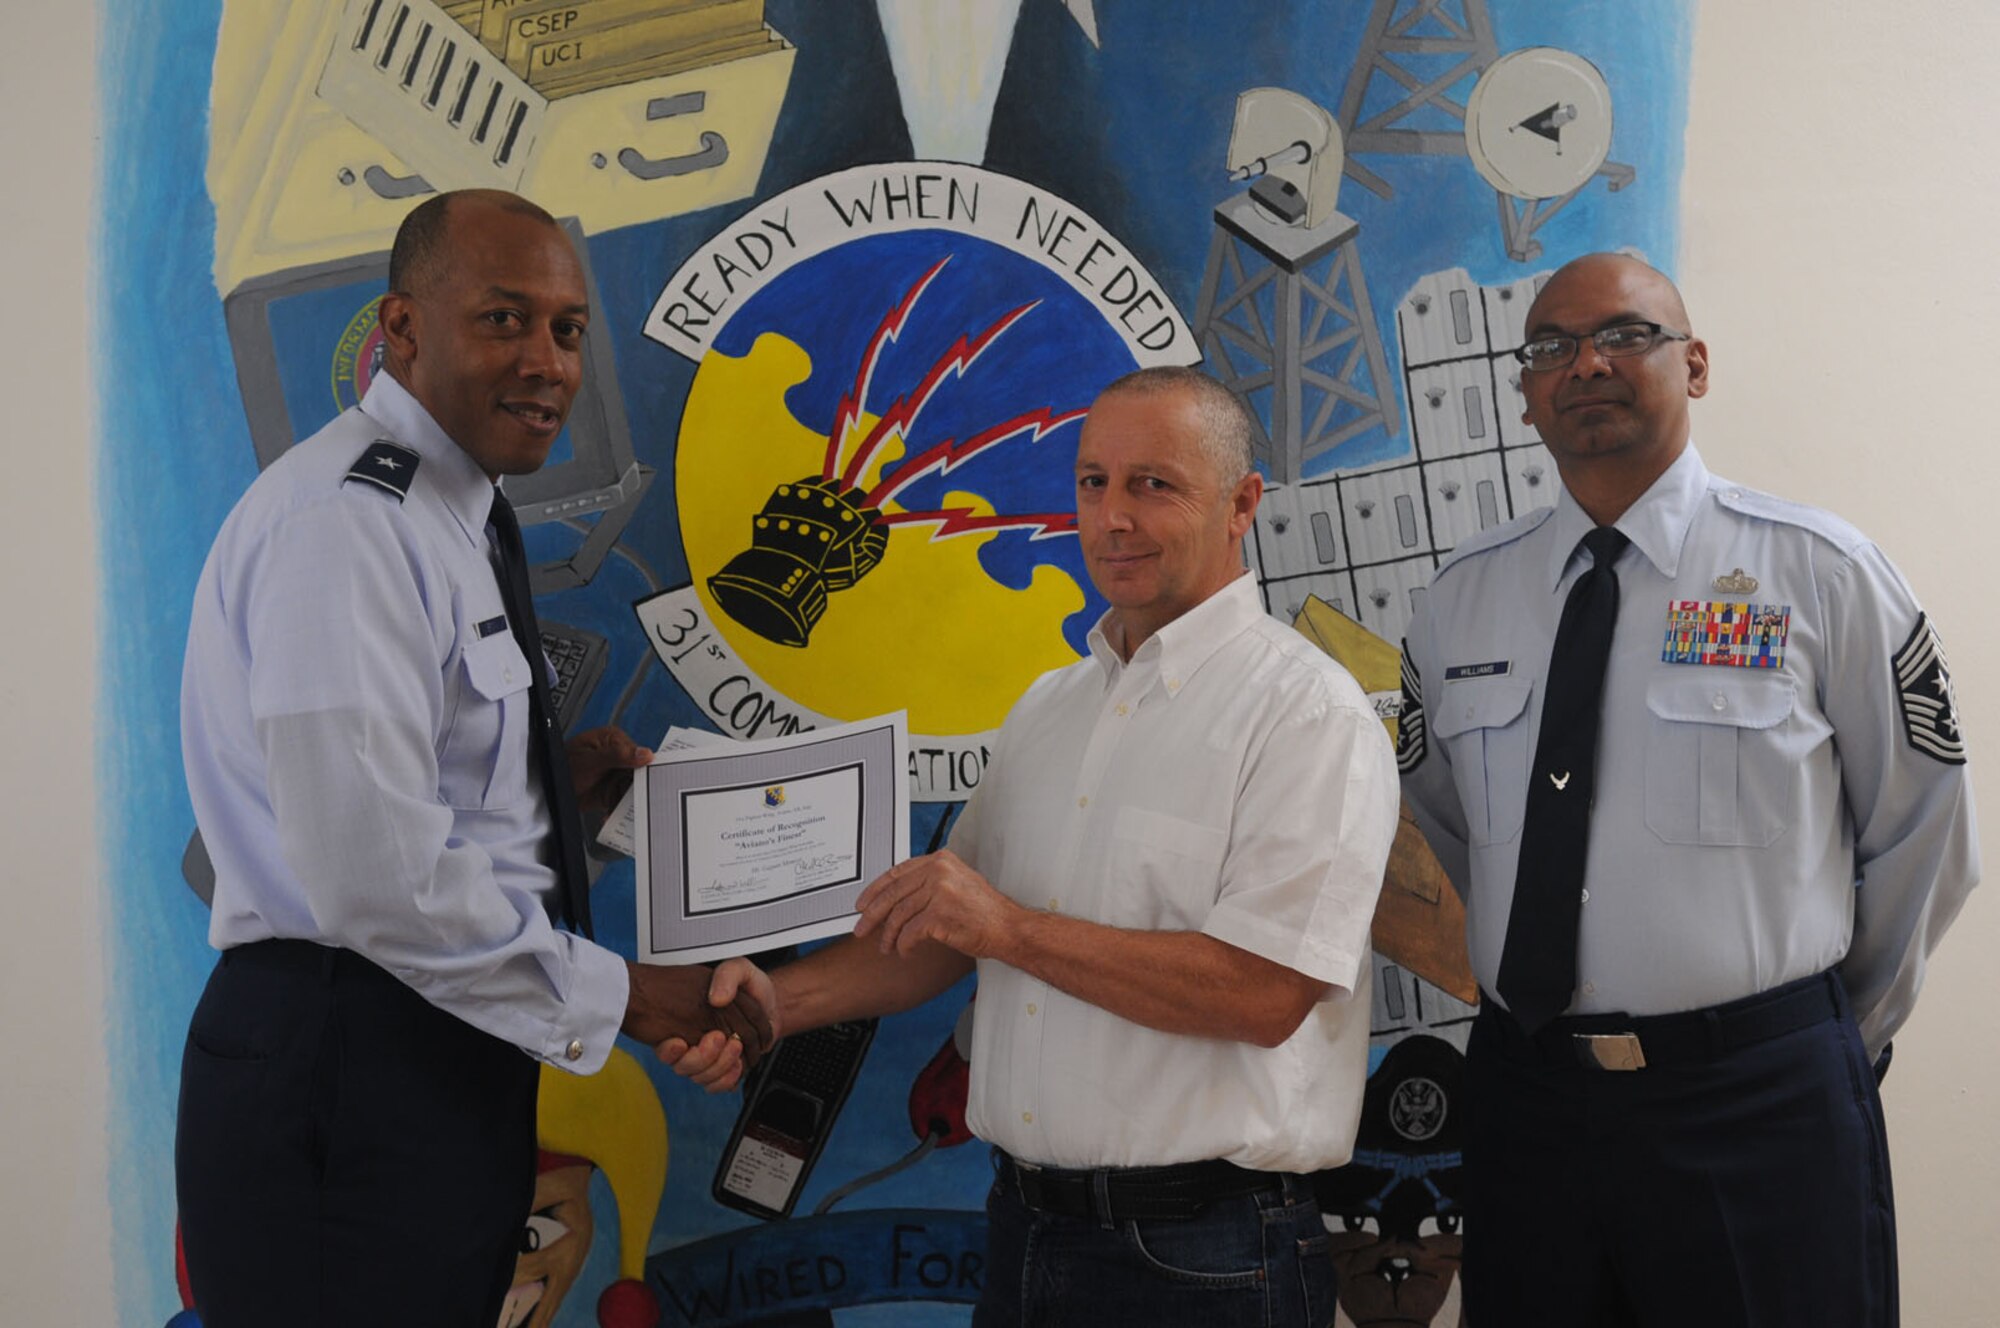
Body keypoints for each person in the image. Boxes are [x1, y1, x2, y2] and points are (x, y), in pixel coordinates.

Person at [669, 365, 1400, 1327]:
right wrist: (772, 1009)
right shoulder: (1050, 707)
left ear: (1242, 505)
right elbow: (943, 932)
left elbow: (1262, 995)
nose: (1113, 518)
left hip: (1206, 1259)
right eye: (1094, 482)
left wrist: (1010, 930)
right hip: (1023, 1232)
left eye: (1154, 484)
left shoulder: (1309, 716)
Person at [176, 189, 768, 1327]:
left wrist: (554, 796)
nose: (546, 361)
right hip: (349, 1058)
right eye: (504, 318)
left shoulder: (453, 511)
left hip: (426, 1049)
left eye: (566, 328)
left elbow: (414, 798)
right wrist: (631, 996)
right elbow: (370, 873)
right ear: (399, 327)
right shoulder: (352, 526)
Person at [1396, 252, 1979, 1326]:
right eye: (1550, 347)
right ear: (1522, 393)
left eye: (1624, 335)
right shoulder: (1457, 603)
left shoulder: (1818, 570)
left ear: (1694, 364)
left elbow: (1921, 828)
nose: (1585, 365)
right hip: (1529, 1103)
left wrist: (1816, 1036)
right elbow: (1446, 820)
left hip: (1756, 1104)